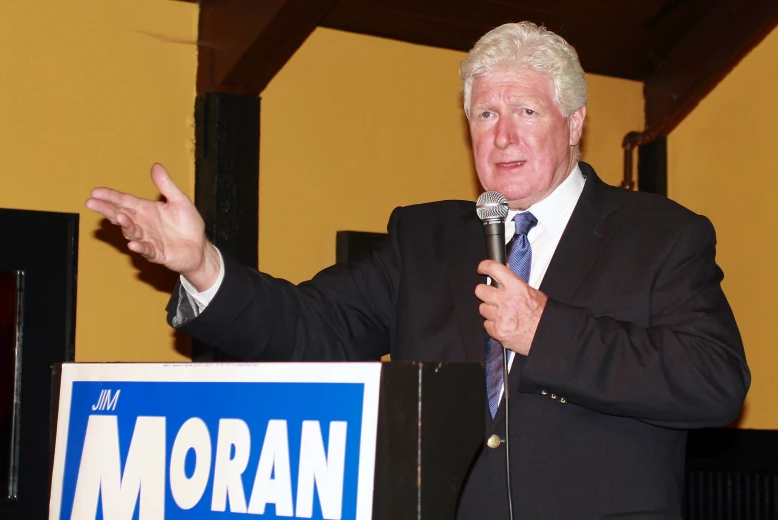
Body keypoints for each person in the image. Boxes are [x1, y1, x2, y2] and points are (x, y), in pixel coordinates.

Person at [87, 21, 749, 520]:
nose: (502, 136)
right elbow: (307, 327)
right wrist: (202, 265)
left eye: (525, 112)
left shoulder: (660, 236)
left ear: (573, 122)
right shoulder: (425, 237)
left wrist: (546, 331)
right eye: (485, 115)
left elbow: (713, 383)